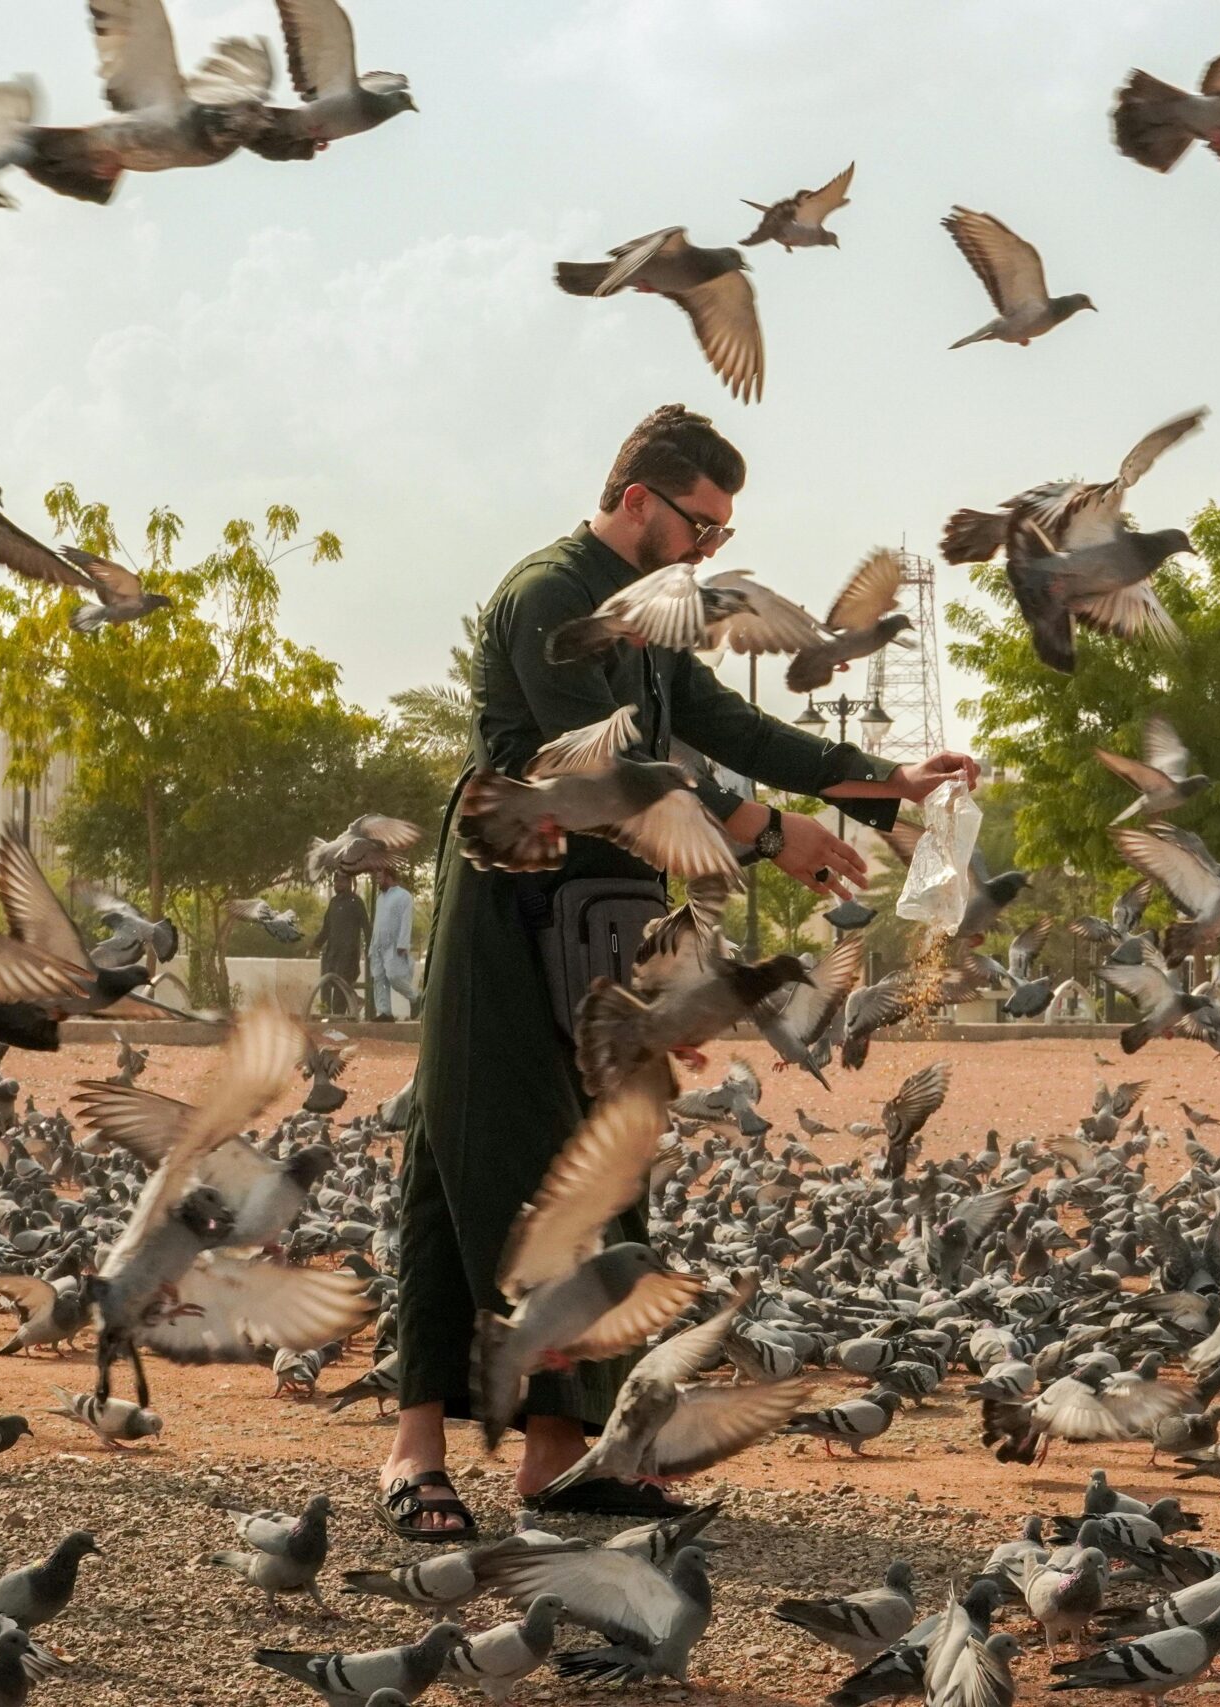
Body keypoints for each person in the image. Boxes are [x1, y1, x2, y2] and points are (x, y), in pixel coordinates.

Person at [385, 403, 977, 1538]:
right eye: (700, 525)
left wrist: (875, 779)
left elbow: (724, 725)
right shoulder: (550, 596)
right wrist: (768, 835)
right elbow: (624, 773)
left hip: (607, 928)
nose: (711, 550)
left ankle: (508, 1453)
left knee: (531, 1166)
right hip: (512, 921)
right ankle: (492, 1456)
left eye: (721, 531)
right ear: (641, 502)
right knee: (513, 1169)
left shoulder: (651, 623)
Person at [315, 869, 367, 1019]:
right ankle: (327, 1017)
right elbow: (326, 929)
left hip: (348, 955)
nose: (338, 884)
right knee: (326, 985)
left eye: (341, 881)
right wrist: (315, 945)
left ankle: (338, 1021)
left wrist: (369, 947)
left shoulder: (356, 903)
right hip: (332, 954)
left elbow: (366, 926)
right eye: (336, 881)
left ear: (349, 883)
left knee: (340, 988)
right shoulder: (333, 902)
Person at [369, 870, 416, 1019]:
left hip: (394, 946)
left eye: (379, 877)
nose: (377, 881)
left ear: (389, 877)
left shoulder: (404, 896)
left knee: (395, 977)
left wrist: (403, 943)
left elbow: (406, 920)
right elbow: (377, 924)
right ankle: (384, 1012)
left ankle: (416, 997)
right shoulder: (380, 898)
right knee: (378, 978)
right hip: (378, 946)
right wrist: (372, 946)